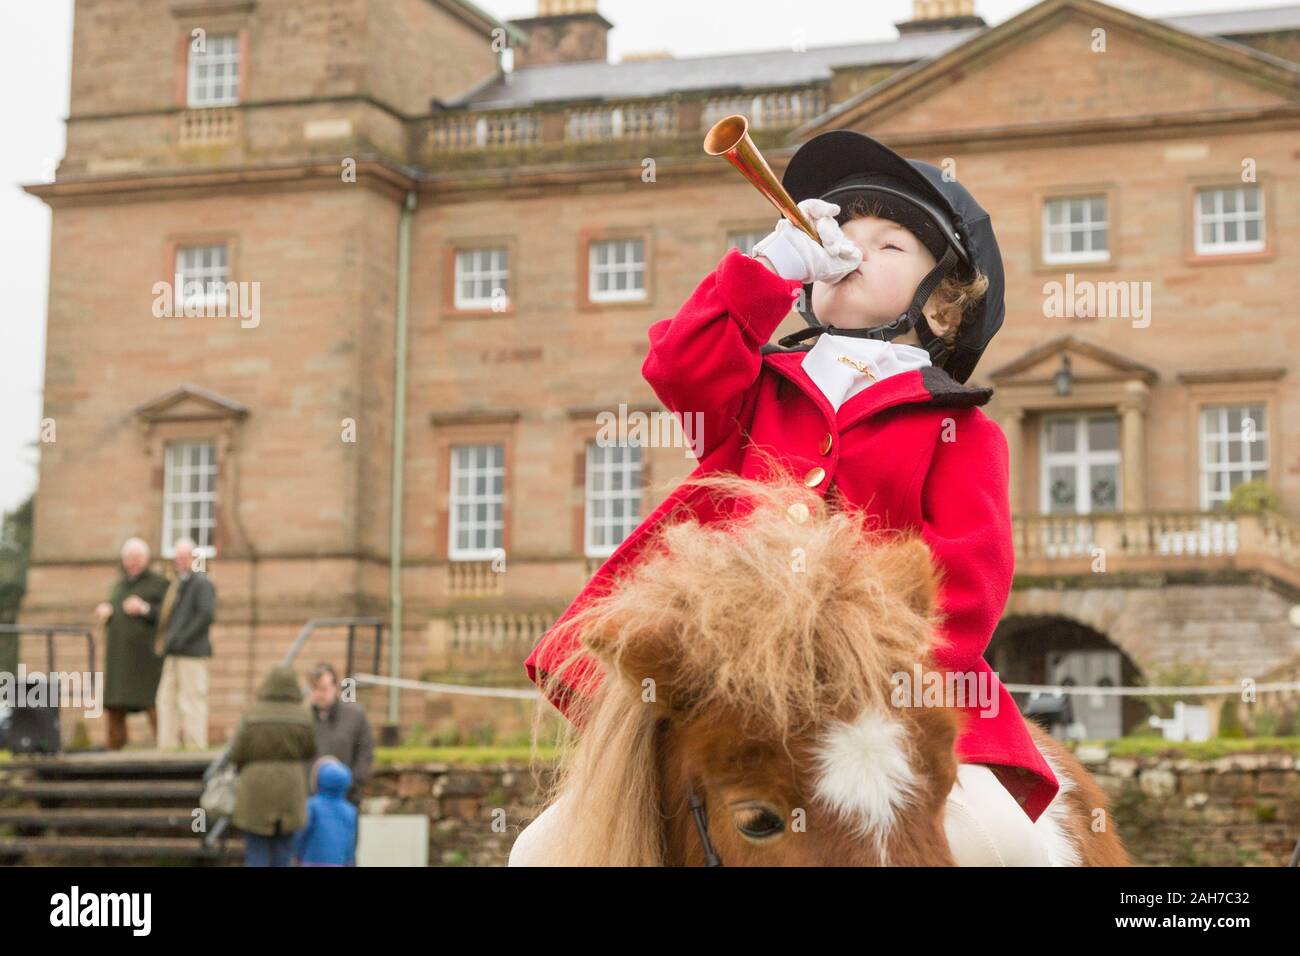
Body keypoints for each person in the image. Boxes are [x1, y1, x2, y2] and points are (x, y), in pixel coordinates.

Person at [517, 129, 1054, 866]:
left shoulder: (960, 426)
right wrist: (764, 269)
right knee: (539, 850)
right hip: (725, 690)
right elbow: (676, 364)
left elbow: (967, 586)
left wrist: (870, 681)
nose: (853, 248)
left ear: (945, 308)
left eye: (889, 244)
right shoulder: (755, 378)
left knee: (1009, 845)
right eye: (838, 231)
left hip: (887, 704)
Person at [227, 665, 317, 867]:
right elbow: (310, 750)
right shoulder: (303, 715)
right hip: (291, 787)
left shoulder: (251, 713)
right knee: (284, 851)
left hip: (255, 787)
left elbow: (236, 752)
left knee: (256, 850)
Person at [96, 537, 168, 750]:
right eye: (129, 558)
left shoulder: (159, 583)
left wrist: (144, 608)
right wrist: (107, 610)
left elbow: (167, 615)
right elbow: (114, 607)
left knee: (152, 700)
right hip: (118, 657)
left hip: (145, 657)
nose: (133, 562)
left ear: (146, 559)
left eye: (137, 558)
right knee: (115, 703)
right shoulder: (119, 584)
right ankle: (115, 745)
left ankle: (165, 743)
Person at [155, 537, 215, 749]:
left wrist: (181, 637)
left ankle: (196, 746)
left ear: (193, 558)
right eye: (177, 558)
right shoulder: (177, 585)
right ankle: (166, 746)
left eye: (184, 557)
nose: (180, 561)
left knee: (192, 702)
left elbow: (205, 615)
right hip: (173, 653)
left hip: (192, 653)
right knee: (165, 700)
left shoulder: (202, 583)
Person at [308, 663, 373, 805]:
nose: (319, 694)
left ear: (335, 687)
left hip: (346, 799)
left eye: (323, 689)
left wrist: (351, 784)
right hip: (311, 801)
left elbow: (365, 754)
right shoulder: (304, 719)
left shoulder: (355, 716)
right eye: (315, 689)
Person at [292, 756, 358, 866]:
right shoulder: (350, 811)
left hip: (310, 862)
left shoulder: (311, 806)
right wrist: (349, 862)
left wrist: (296, 855)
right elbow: (350, 843)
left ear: (318, 780)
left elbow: (300, 835)